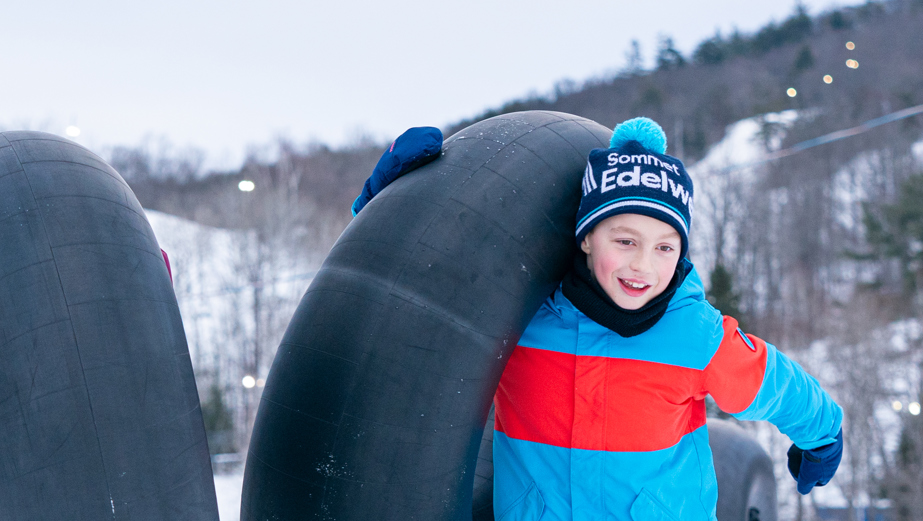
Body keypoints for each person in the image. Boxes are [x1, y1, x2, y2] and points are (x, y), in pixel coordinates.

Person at [357, 119, 843, 520]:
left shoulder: (694, 334)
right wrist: (390, 205)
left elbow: (774, 382)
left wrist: (822, 434)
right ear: (586, 238)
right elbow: (417, 296)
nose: (643, 266)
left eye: (664, 248)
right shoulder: (526, 319)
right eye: (624, 241)